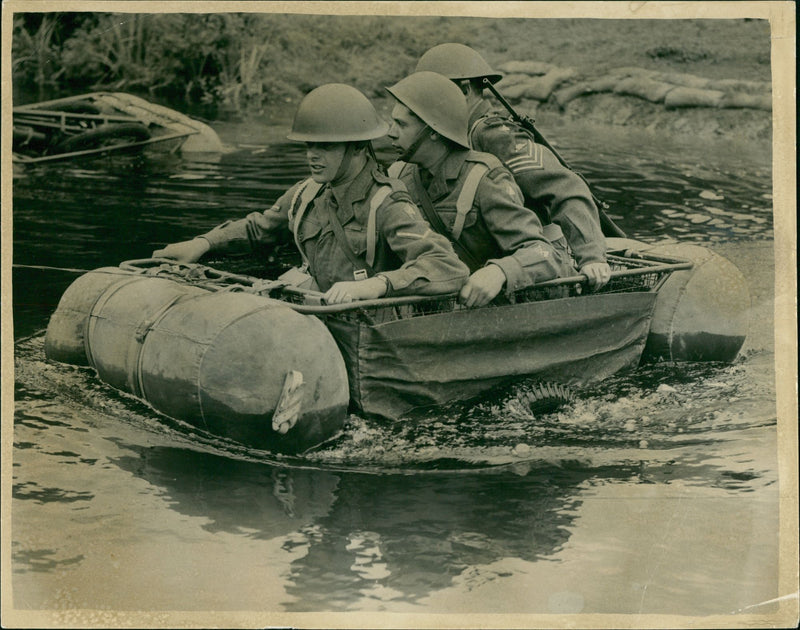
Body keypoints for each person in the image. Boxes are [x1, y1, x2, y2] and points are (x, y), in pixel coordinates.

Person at [153, 83, 469, 304]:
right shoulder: (308, 192)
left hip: (366, 336)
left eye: (326, 146)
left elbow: (447, 267)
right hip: (314, 317)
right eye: (309, 144)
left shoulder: (387, 203)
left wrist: (376, 286)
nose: (312, 155)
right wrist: (201, 243)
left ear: (358, 147)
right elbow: (259, 228)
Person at [415, 43, 612, 290]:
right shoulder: (448, 136)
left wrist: (591, 256)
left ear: (465, 89)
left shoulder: (495, 135)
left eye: (432, 95)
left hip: (534, 267)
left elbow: (566, 189)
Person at [384, 71, 577, 309]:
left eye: (401, 124)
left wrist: (499, 272)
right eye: (392, 122)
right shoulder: (399, 176)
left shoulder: (484, 178)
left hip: (500, 312)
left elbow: (544, 254)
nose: (390, 132)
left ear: (433, 131)